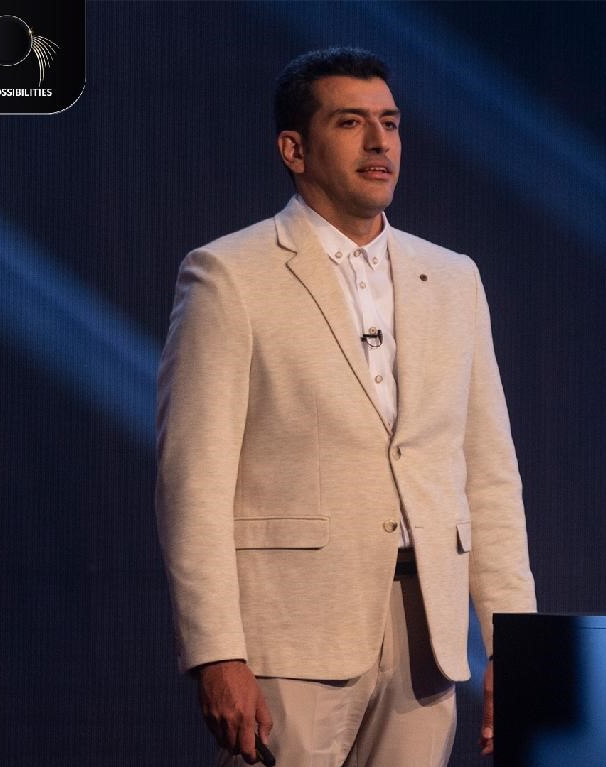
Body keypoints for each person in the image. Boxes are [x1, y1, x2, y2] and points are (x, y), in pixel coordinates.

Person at [156, 47, 537, 767]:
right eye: (350, 122)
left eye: (390, 123)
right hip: (291, 635)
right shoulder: (229, 275)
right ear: (294, 149)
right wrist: (215, 651)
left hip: (427, 635)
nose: (379, 142)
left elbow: (488, 477)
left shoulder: (453, 278)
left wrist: (516, 646)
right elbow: (193, 482)